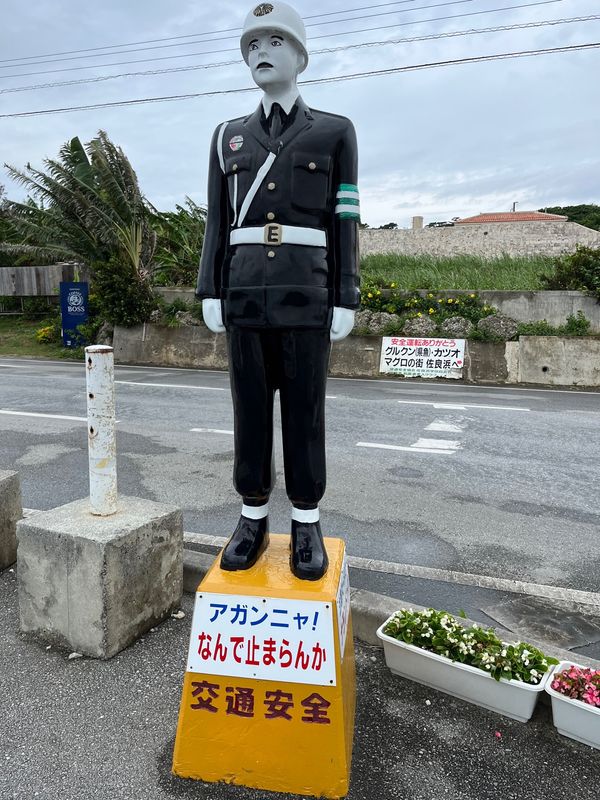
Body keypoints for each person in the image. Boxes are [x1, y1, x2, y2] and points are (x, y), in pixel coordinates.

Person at [196, 1, 360, 580]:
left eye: (273, 42)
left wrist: (346, 293)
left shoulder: (335, 132)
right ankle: (252, 517)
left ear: (299, 55)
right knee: (248, 412)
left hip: (305, 293)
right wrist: (209, 287)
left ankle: (307, 520)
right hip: (243, 293)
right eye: (252, 46)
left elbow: (345, 219)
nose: (260, 52)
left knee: (305, 411)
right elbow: (217, 221)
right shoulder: (228, 137)